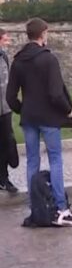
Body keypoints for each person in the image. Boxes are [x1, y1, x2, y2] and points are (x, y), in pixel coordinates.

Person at [6, 18, 72, 226]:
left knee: (32, 161)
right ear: (43, 34)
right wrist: (67, 111)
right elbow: (56, 94)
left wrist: (24, 109)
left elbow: (10, 97)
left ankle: (36, 205)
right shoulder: (49, 59)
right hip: (49, 118)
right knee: (55, 159)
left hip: (29, 118)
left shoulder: (18, 60)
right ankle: (61, 207)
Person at [0, 28, 18, 193]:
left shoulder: (4, 56)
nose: (8, 42)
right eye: (5, 39)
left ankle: (4, 178)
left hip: (5, 109)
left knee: (6, 143)